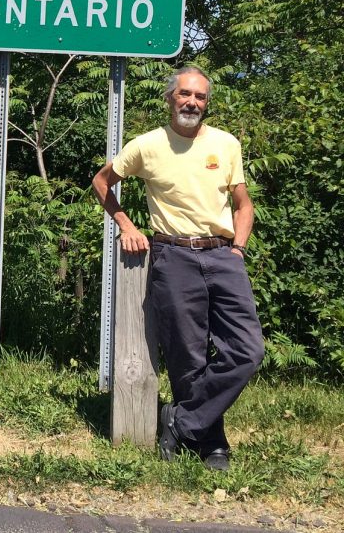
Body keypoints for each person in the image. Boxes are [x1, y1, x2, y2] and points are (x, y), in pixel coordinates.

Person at [91, 66, 264, 471]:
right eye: (185, 94)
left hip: (223, 255)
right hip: (173, 256)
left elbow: (244, 204)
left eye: (200, 97)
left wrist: (237, 248)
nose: (192, 102)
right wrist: (127, 224)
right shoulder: (147, 145)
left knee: (247, 350)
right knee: (188, 357)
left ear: (207, 103)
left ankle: (180, 420)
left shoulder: (226, 144)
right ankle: (213, 445)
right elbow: (101, 182)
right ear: (170, 98)